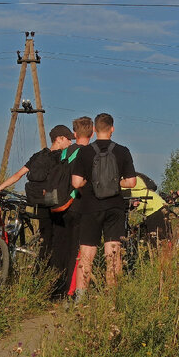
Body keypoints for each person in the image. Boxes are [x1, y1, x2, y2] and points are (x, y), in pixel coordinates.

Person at [0, 123, 79, 300]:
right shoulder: (61, 158)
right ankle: (55, 288)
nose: (70, 142)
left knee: (44, 243)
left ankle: (39, 283)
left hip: (39, 205)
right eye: (68, 139)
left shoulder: (37, 156)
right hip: (56, 206)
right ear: (59, 139)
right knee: (56, 246)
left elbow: (18, 175)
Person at [73, 113, 136, 295]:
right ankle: (112, 296)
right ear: (112, 129)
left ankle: (81, 298)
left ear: (94, 130)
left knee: (87, 252)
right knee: (113, 253)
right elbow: (131, 182)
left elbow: (76, 183)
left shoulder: (84, 152)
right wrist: (116, 183)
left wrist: (90, 183)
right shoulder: (122, 151)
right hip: (115, 206)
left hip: (90, 206)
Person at [126, 171, 169, 244]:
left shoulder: (128, 179)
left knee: (160, 242)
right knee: (151, 241)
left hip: (156, 209)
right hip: (152, 210)